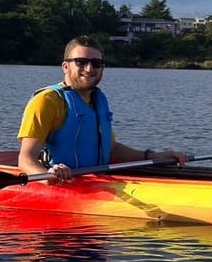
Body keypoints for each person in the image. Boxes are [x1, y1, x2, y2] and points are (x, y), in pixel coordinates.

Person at [18, 35, 186, 181]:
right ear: (66, 66)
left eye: (96, 63)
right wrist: (47, 176)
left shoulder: (99, 99)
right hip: (63, 182)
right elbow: (26, 159)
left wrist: (153, 156)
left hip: (98, 180)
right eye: (81, 62)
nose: (89, 69)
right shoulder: (47, 100)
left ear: (103, 67)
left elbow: (111, 148)